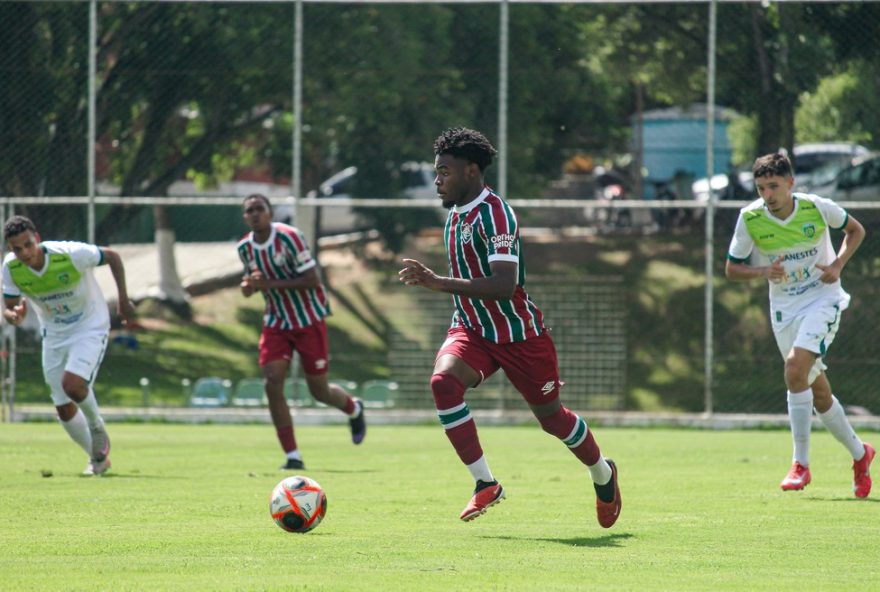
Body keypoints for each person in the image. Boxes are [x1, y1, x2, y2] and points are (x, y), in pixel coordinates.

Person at [398, 127, 621, 526]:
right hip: (471, 330)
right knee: (443, 384)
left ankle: (603, 472)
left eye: (444, 172)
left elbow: (504, 285)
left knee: (552, 419)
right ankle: (485, 483)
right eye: (436, 172)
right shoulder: (454, 215)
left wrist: (438, 282)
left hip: (520, 336)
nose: (437, 180)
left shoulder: (496, 214)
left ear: (470, 171)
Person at [725, 152, 874, 497]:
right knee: (815, 390)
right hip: (784, 309)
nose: (768, 195)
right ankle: (860, 453)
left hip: (823, 298)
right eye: (762, 188)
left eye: (774, 186)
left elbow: (856, 230)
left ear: (791, 183)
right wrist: (764, 271)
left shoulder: (816, 207)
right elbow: (732, 268)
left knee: (795, 367)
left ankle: (800, 465)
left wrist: (837, 265)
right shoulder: (750, 218)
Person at [237, 194, 366, 470]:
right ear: (245, 217)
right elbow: (252, 282)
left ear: (270, 213)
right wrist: (248, 287)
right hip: (276, 322)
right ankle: (292, 456)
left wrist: (268, 284)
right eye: (250, 211)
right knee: (272, 383)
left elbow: (311, 279)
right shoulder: (245, 248)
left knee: (318, 391)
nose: (255, 214)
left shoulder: (290, 237)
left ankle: (354, 408)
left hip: (309, 319)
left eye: (260, 208)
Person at [2, 215, 136, 476]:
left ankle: (97, 427)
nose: (25, 252)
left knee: (73, 385)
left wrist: (122, 299)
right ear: (10, 249)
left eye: (28, 244)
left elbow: (112, 256)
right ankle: (98, 459)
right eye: (17, 248)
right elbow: (10, 307)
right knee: (63, 408)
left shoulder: (69, 254)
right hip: (53, 334)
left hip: (89, 326)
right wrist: (13, 315)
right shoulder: (10, 268)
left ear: (37, 239)